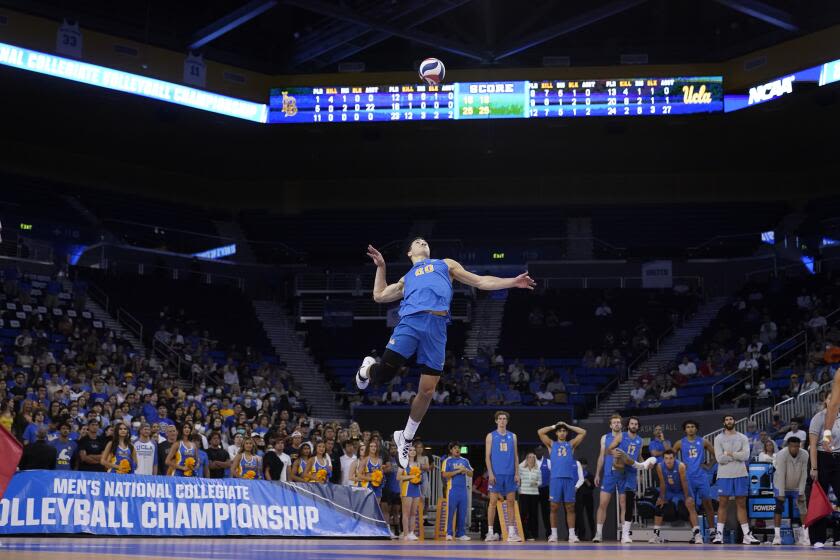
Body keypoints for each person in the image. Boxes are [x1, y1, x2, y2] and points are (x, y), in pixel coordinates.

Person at [355, 240, 535, 468]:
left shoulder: (445, 264)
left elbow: (480, 281)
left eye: (425, 241)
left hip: (437, 327)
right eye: (416, 241)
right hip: (410, 322)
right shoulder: (406, 278)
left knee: (428, 390)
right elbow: (379, 295)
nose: (421, 241)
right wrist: (381, 267)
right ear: (410, 252)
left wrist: (513, 282)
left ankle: (406, 436)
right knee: (381, 377)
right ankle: (366, 368)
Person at [598, 415, 656, 543]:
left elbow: (639, 457)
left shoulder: (640, 440)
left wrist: (646, 464)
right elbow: (609, 449)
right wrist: (613, 453)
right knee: (604, 503)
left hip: (630, 472)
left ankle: (625, 535)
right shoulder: (621, 436)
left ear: (638, 426)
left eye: (636, 424)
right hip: (618, 469)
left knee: (627, 503)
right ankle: (598, 534)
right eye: (632, 424)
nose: (634, 426)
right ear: (628, 425)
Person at [712, 414, 759, 544]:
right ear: (724, 422)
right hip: (724, 475)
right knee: (722, 504)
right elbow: (719, 458)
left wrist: (730, 454)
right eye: (726, 419)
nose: (729, 421)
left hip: (740, 473)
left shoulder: (742, 437)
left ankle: (746, 536)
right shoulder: (718, 438)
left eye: (731, 419)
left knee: (741, 504)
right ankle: (719, 535)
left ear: (734, 421)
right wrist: (736, 456)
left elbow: (745, 456)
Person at [538, 420, 586, 543]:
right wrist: (554, 425)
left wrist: (568, 425)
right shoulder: (551, 444)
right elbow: (540, 432)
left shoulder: (571, 444)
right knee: (553, 507)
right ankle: (553, 535)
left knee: (570, 507)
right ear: (556, 433)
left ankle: (572, 535)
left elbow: (583, 432)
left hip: (569, 479)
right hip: (555, 479)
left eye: (564, 431)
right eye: (560, 431)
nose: (562, 432)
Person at [672, 419, 717, 543]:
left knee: (708, 504)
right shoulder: (679, 443)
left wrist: (709, 465)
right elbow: (670, 458)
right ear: (685, 429)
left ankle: (712, 532)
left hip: (702, 477)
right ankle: (696, 534)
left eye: (692, 426)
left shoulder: (703, 441)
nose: (690, 429)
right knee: (691, 506)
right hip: (688, 478)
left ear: (696, 429)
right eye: (688, 427)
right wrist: (680, 465)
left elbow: (716, 455)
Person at [809, 389, 840, 549]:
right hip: (822, 459)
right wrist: (814, 467)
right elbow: (813, 445)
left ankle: (838, 536)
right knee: (819, 500)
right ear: (826, 400)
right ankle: (817, 538)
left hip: (838, 458)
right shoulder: (818, 418)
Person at [648, 449, 700, 544]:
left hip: (682, 490)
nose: (668, 461)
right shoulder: (659, 466)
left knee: (690, 506)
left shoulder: (680, 466)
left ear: (674, 458)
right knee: (659, 506)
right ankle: (656, 535)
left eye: (671, 458)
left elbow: (684, 483)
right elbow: (662, 483)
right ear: (663, 459)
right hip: (669, 490)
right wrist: (661, 497)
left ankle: (697, 535)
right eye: (666, 458)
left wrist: (687, 497)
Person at [484, 410, 521, 542]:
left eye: (504, 418)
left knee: (510, 502)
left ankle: (511, 533)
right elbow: (487, 457)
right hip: (496, 474)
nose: (502, 420)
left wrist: (517, 473)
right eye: (499, 418)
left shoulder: (513, 436)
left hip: (510, 474)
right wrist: (491, 474)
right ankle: (490, 532)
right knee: (493, 503)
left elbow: (516, 456)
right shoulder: (491, 436)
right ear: (496, 421)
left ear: (507, 421)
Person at [770, 436, 808, 546]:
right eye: (792, 446)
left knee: (802, 507)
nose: (795, 449)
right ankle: (777, 537)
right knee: (779, 507)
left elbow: (804, 473)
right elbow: (781, 474)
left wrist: (801, 490)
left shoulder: (805, 454)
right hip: (781, 483)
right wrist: (781, 493)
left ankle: (805, 536)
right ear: (788, 446)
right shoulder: (781, 454)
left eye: (797, 446)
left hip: (796, 484)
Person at [441, 441, 473, 541]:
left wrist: (465, 470)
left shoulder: (465, 461)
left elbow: (471, 474)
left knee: (462, 511)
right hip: (452, 489)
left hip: (463, 490)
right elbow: (444, 475)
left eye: (458, 448)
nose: (457, 449)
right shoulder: (447, 461)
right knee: (450, 511)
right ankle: (449, 533)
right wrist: (458, 471)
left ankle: (461, 533)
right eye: (455, 448)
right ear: (451, 450)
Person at [397, 445, 423, 540]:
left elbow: (419, 478)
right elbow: (398, 477)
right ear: (406, 452)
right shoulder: (403, 464)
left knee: (413, 513)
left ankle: (412, 533)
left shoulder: (418, 464)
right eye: (410, 450)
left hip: (416, 489)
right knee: (406, 513)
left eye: (414, 450)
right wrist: (410, 477)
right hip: (407, 489)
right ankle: (405, 534)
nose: (412, 451)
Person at [518, 452, 541, 541]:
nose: (531, 458)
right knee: (523, 514)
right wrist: (519, 489)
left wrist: (536, 483)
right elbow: (517, 479)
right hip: (524, 493)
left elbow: (540, 482)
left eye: (533, 457)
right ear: (526, 459)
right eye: (529, 457)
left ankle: (533, 534)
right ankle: (523, 532)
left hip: (534, 494)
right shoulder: (521, 468)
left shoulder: (537, 469)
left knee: (533, 514)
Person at [575, 458, 595, 541]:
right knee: (579, 516)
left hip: (588, 497)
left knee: (590, 516)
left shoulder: (589, 475)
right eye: (581, 464)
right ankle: (580, 535)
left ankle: (593, 535)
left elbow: (593, 487)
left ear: (586, 465)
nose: (582, 466)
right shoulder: (576, 474)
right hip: (579, 497)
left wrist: (587, 481)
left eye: (583, 464)